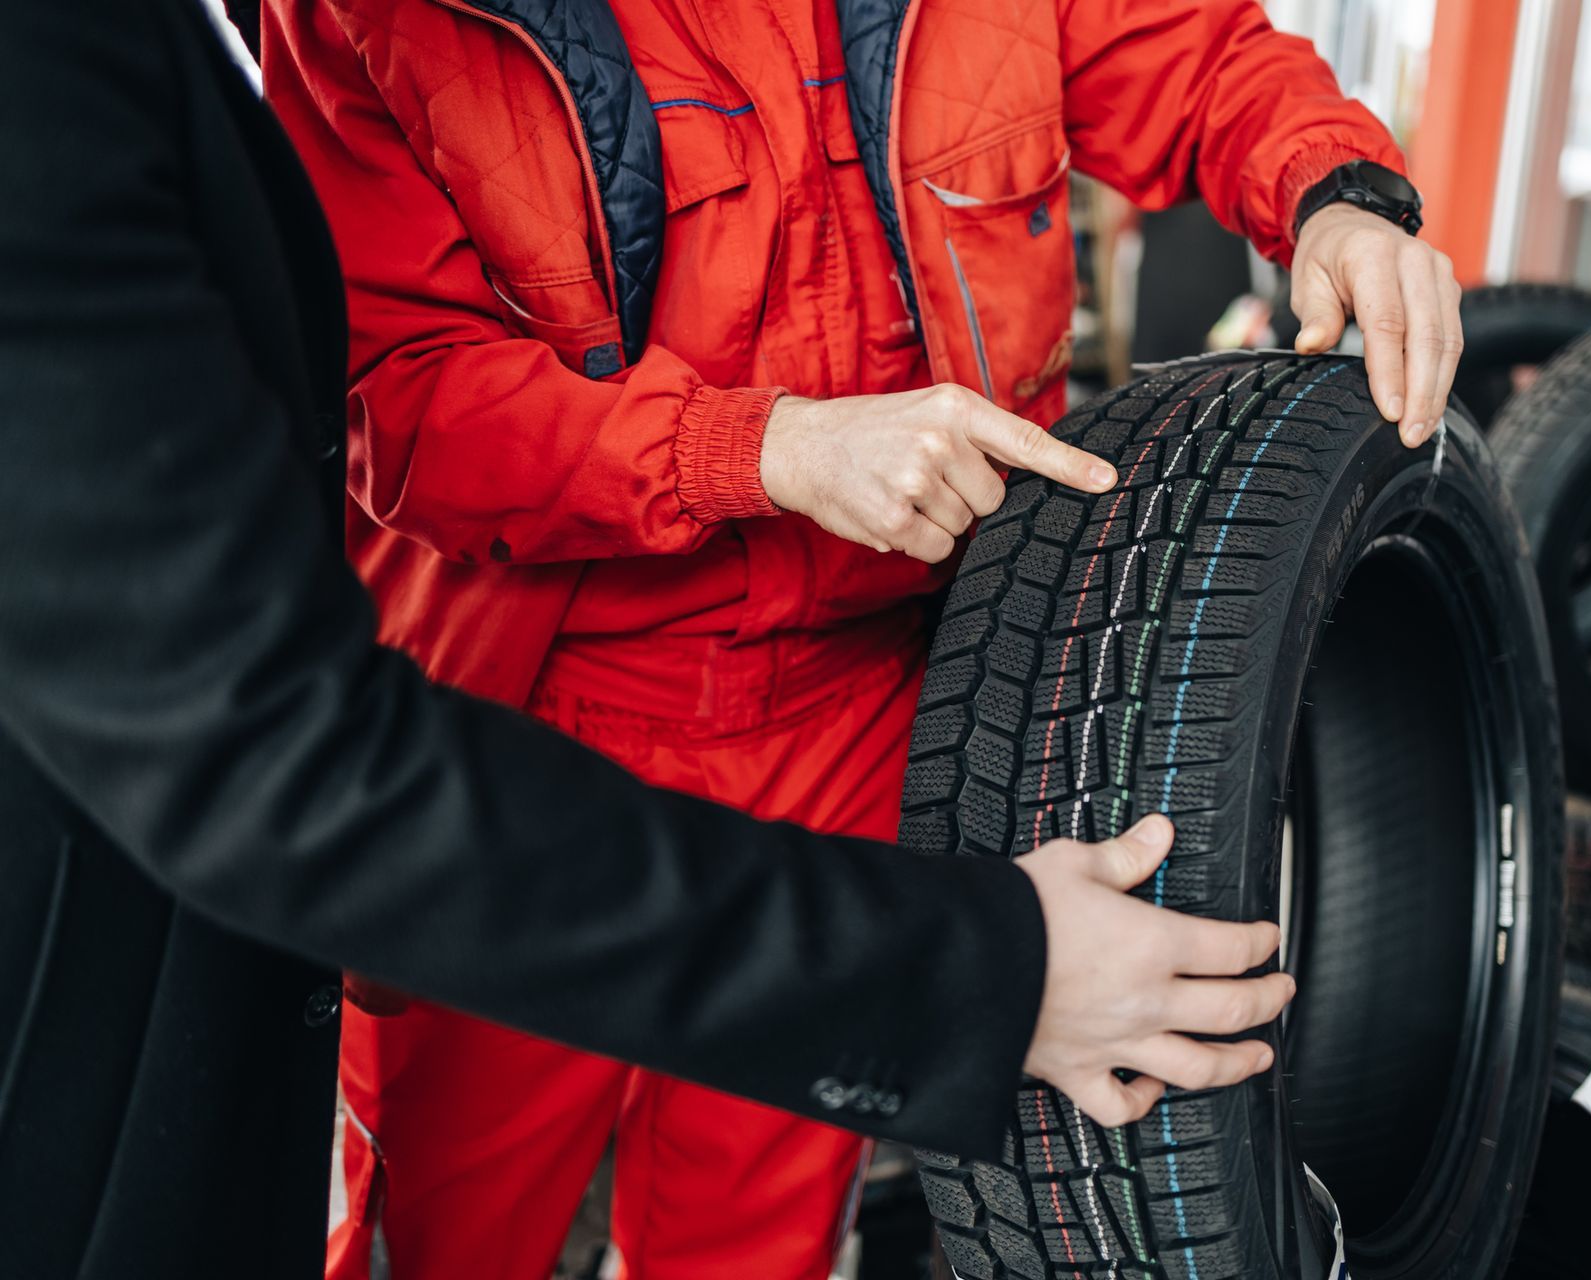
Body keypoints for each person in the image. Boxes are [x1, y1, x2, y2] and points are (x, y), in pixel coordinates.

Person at [0, 2, 1297, 1275]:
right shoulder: (334, 23)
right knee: (447, 1235)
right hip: (519, 734)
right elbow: (403, 407)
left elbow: (1180, 50)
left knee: (750, 1243)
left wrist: (1331, 183)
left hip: (857, 700)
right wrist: (762, 446)